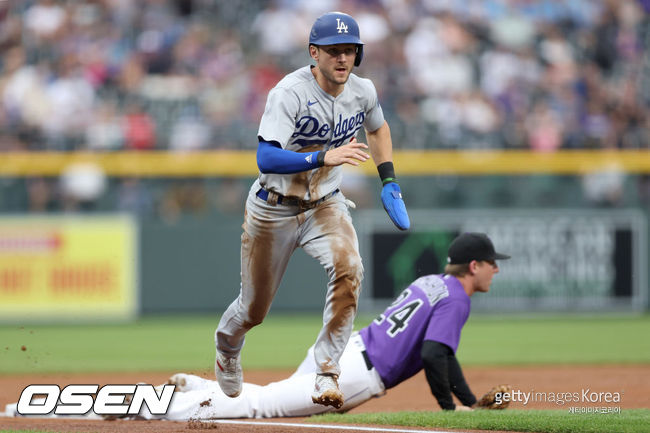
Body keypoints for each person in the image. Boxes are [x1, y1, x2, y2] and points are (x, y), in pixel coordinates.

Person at [214, 11, 410, 411]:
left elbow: (378, 127)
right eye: (334, 51)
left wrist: (389, 178)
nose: (343, 59)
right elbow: (266, 157)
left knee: (350, 266)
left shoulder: (363, 90)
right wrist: (323, 156)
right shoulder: (290, 92)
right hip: (273, 208)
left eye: (350, 51)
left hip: (325, 204)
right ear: (314, 53)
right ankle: (227, 348)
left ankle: (326, 369)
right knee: (253, 310)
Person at [139, 232, 508, 420]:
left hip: (343, 350)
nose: (496, 269)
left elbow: (443, 352)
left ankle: (196, 385)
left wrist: (470, 403)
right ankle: (156, 407)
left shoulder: (431, 282)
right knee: (263, 407)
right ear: (474, 266)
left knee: (278, 394)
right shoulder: (458, 297)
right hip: (354, 377)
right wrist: (450, 407)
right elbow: (433, 353)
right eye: (492, 263)